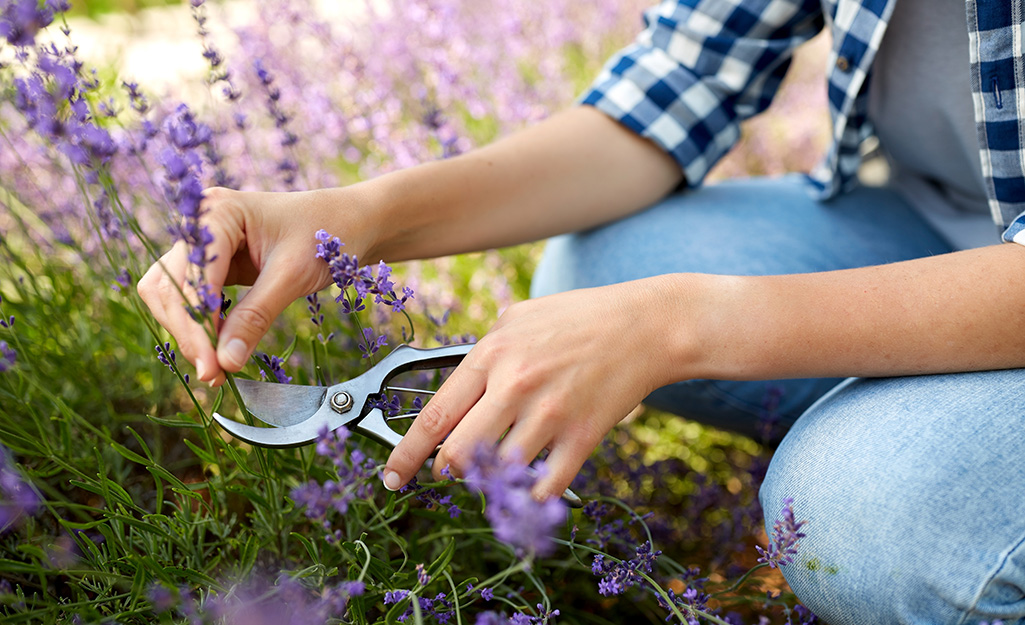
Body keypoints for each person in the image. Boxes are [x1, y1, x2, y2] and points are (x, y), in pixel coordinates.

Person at [139, 0, 1025, 622]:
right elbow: (675, 87)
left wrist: (675, 325)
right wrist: (357, 218)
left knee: (852, 513)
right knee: (599, 265)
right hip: (952, 217)